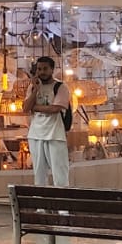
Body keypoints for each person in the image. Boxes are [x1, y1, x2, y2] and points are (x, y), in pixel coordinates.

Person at [26, 56, 72, 188]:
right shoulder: (32, 87)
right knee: (39, 174)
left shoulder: (61, 87)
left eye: (45, 69)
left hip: (55, 134)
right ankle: (41, 207)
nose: (42, 72)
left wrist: (35, 107)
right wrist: (35, 90)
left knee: (60, 173)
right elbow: (25, 108)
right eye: (39, 69)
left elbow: (55, 108)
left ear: (52, 69)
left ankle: (63, 207)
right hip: (35, 134)